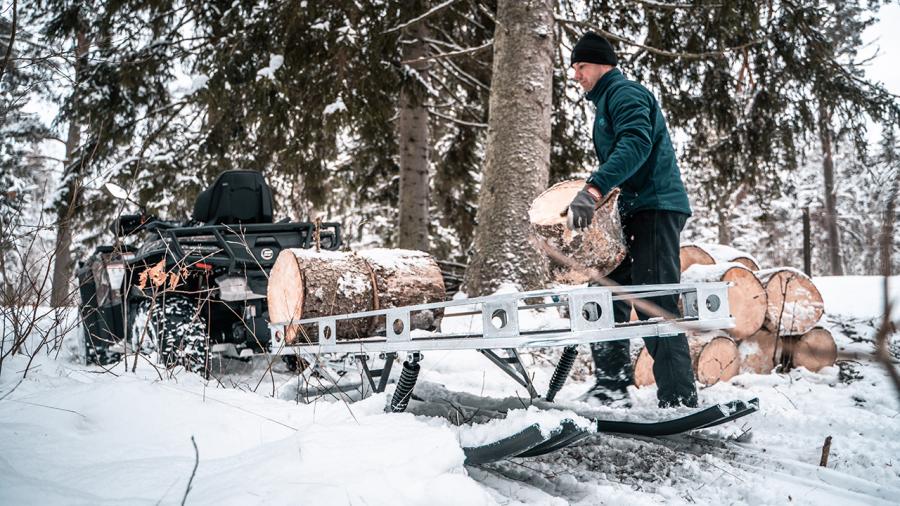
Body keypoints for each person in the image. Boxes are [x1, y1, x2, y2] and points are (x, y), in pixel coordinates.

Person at [566, 32, 698, 408]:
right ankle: (611, 386)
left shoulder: (626, 94)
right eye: (574, 68)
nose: (577, 75)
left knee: (654, 300)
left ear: (603, 64)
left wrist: (593, 190)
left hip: (654, 208)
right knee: (605, 292)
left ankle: (679, 399)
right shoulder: (607, 102)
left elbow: (636, 144)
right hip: (631, 213)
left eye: (582, 66)